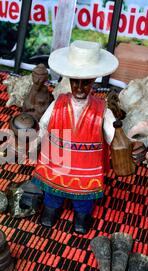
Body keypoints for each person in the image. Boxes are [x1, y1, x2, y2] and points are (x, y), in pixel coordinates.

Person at [32, 41, 119, 234]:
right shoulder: (57, 104)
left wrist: (127, 146)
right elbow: (44, 125)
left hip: (86, 166)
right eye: (75, 82)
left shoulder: (102, 110)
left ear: (94, 81)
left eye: (86, 82)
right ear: (69, 81)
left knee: (84, 199)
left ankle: (81, 216)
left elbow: (114, 136)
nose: (79, 88)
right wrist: (33, 142)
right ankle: (50, 210)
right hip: (56, 162)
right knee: (51, 193)